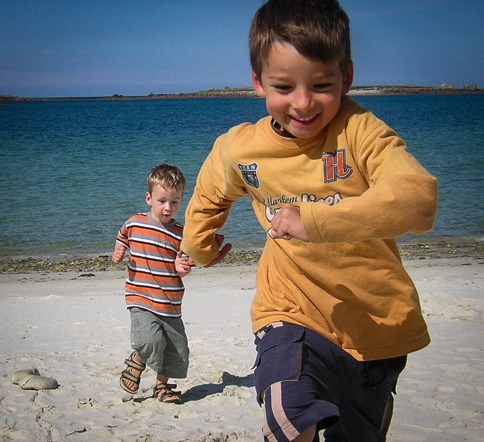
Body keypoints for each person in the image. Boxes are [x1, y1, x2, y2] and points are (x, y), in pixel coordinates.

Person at [181, 0, 438, 440]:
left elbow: (418, 198)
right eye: (283, 87)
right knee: (289, 419)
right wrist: (199, 246)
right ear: (258, 82)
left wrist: (314, 221)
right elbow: (209, 194)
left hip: (376, 323)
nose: (302, 103)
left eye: (321, 85)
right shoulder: (241, 148)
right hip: (289, 311)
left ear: (346, 78)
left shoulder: (360, 131)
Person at [113, 163, 193, 404]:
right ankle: (138, 359)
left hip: (170, 304)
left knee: (176, 350)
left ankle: (162, 387)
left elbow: (186, 261)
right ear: (149, 198)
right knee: (150, 340)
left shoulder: (181, 234)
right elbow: (123, 236)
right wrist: (119, 250)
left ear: (181, 201)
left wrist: (183, 267)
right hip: (141, 297)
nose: (168, 207)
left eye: (174, 202)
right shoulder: (135, 222)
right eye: (162, 201)